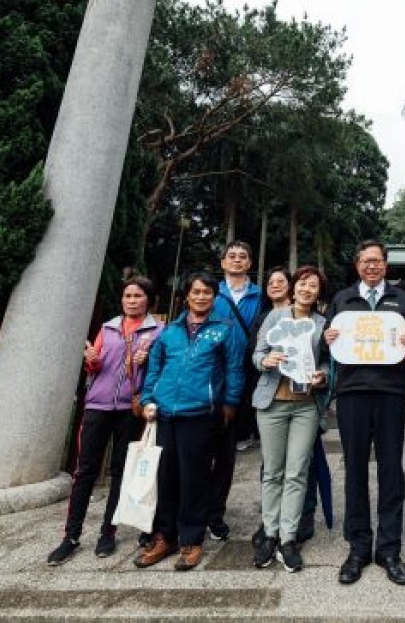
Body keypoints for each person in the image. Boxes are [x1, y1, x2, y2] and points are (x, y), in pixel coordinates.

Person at [323, 240, 405, 586]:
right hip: (352, 392)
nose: (372, 267)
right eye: (366, 262)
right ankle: (358, 548)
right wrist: (329, 336)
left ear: (386, 264)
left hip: (391, 392)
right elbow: (327, 340)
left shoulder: (401, 299)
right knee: (354, 468)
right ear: (357, 266)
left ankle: (389, 549)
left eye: (377, 261)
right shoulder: (342, 299)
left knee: (391, 469)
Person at [47, 276, 161, 566]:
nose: (131, 300)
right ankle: (71, 536)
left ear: (148, 299)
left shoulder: (158, 331)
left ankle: (108, 532)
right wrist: (92, 360)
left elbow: (160, 369)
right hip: (98, 405)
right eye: (127, 296)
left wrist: (144, 361)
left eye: (137, 296)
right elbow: (95, 365)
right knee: (84, 471)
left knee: (121, 471)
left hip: (130, 409)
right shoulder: (108, 328)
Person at [135, 272, 242, 571]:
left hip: (200, 413)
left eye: (207, 292)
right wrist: (147, 400)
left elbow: (234, 369)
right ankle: (165, 536)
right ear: (186, 296)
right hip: (166, 413)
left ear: (214, 296)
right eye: (196, 291)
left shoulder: (224, 329)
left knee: (193, 479)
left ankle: (192, 539)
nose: (201, 297)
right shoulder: (170, 331)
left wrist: (230, 403)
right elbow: (154, 368)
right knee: (165, 477)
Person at [251, 266, 330, 573]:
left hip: (305, 406)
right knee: (272, 471)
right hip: (272, 403)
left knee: (297, 472)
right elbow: (257, 353)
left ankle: (288, 538)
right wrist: (265, 360)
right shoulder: (275, 316)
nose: (307, 289)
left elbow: (325, 360)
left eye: (313, 286)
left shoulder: (322, 323)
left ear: (318, 293)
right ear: (293, 287)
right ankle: (269, 534)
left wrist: (322, 375)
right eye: (303, 284)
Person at [207, 241, 263, 541]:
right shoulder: (210, 292)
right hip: (206, 375)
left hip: (241, 376)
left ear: (250, 262)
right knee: (199, 450)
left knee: (226, 452)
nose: (237, 260)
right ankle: (192, 509)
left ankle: (216, 513)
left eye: (243, 256)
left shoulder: (260, 296)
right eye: (232, 256)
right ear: (223, 261)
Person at [238, 267, 292, 452]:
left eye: (280, 281)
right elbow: (253, 353)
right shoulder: (261, 318)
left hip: (297, 393)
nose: (275, 285)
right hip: (267, 390)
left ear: (290, 286)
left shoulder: (302, 313)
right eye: (270, 283)